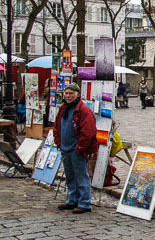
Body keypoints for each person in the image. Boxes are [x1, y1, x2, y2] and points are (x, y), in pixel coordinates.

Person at [53, 83, 97, 214]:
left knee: (81, 176)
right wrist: (59, 143)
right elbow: (57, 126)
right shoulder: (63, 108)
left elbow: (88, 132)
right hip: (66, 148)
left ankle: (84, 202)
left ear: (77, 94)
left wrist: (79, 148)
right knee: (70, 176)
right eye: (66, 93)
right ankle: (72, 200)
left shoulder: (83, 110)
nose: (68, 96)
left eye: (71, 93)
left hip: (76, 149)